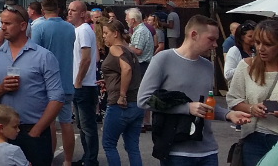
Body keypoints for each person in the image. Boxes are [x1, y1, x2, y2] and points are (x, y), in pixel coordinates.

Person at [138, 15, 251, 166]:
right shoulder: (163, 59)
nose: (215, 45)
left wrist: (228, 114)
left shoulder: (208, 66)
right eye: (211, 39)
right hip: (176, 151)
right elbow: (143, 100)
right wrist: (186, 108)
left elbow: (205, 105)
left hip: (208, 150)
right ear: (193, 35)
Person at [0, 4, 63, 166]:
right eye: (1, 23)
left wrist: (37, 130)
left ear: (23, 25)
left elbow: (57, 98)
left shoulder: (43, 56)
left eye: (8, 24)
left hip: (34, 131)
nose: (3, 27)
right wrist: (1, 88)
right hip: (5, 135)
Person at [32, 0, 77, 166]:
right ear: (58, 9)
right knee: (66, 123)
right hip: (66, 80)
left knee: (49, 123)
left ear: (42, 11)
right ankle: (67, 161)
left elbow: (34, 54)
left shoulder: (39, 27)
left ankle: (49, 158)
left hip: (45, 83)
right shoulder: (70, 28)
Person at [226, 19, 278, 166]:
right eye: (258, 42)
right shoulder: (246, 66)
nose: (261, 48)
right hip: (253, 137)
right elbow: (232, 99)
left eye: (268, 44)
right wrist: (251, 108)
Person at [99, 19, 144, 166]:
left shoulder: (115, 48)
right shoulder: (130, 50)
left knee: (109, 144)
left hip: (120, 105)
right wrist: (109, 81)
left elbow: (126, 69)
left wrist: (122, 95)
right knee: (132, 147)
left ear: (115, 33)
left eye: (106, 33)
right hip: (136, 104)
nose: (104, 36)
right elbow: (125, 72)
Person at [69, 0, 100, 166]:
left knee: (87, 126)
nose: (69, 13)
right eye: (69, 10)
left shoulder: (84, 30)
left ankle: (91, 160)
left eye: (73, 10)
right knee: (82, 125)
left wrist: (79, 80)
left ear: (82, 13)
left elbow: (86, 58)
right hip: (79, 85)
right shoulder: (77, 30)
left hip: (85, 86)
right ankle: (87, 157)